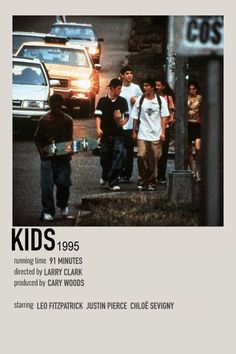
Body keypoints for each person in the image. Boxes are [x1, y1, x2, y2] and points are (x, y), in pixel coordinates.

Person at [34, 93, 73, 221]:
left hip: (63, 158)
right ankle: (48, 211)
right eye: (54, 104)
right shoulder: (43, 121)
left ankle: (63, 204)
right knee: (47, 185)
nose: (57, 106)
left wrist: (70, 151)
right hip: (47, 157)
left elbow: (69, 140)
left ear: (62, 105)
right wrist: (42, 154)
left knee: (64, 183)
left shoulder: (68, 120)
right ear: (50, 105)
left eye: (59, 104)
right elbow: (37, 139)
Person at [131, 78, 169, 190]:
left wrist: (163, 132)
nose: (144, 88)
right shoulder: (141, 100)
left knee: (153, 159)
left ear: (152, 87)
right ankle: (143, 178)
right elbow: (135, 116)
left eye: (147, 86)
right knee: (141, 155)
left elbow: (164, 117)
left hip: (155, 134)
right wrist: (134, 131)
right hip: (143, 133)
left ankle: (151, 181)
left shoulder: (160, 100)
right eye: (144, 86)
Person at [95, 78, 129, 191]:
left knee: (118, 156)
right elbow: (98, 116)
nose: (120, 90)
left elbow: (127, 115)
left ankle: (113, 181)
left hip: (118, 134)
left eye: (121, 88)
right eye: (119, 88)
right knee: (104, 157)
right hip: (105, 133)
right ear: (112, 88)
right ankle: (105, 174)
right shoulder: (102, 101)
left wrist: (123, 122)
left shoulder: (122, 101)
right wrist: (98, 128)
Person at [119, 66, 143, 182]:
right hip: (120, 123)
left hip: (131, 124)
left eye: (131, 73)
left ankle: (127, 174)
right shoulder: (119, 88)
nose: (129, 75)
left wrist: (137, 100)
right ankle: (118, 172)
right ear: (122, 75)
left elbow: (143, 100)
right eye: (127, 73)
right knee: (119, 150)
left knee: (129, 151)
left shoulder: (136, 88)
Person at [155, 78, 175, 185]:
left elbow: (171, 113)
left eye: (159, 85)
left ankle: (161, 176)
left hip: (165, 127)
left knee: (163, 153)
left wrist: (169, 120)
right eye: (156, 85)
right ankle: (151, 176)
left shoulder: (168, 98)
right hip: (154, 128)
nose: (157, 87)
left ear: (163, 86)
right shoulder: (152, 97)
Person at [187, 81, 202, 182]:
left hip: (197, 124)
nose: (192, 91)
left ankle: (198, 171)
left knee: (198, 148)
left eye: (193, 89)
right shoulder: (186, 98)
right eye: (190, 89)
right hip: (188, 124)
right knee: (188, 150)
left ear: (196, 89)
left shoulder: (200, 98)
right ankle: (192, 171)